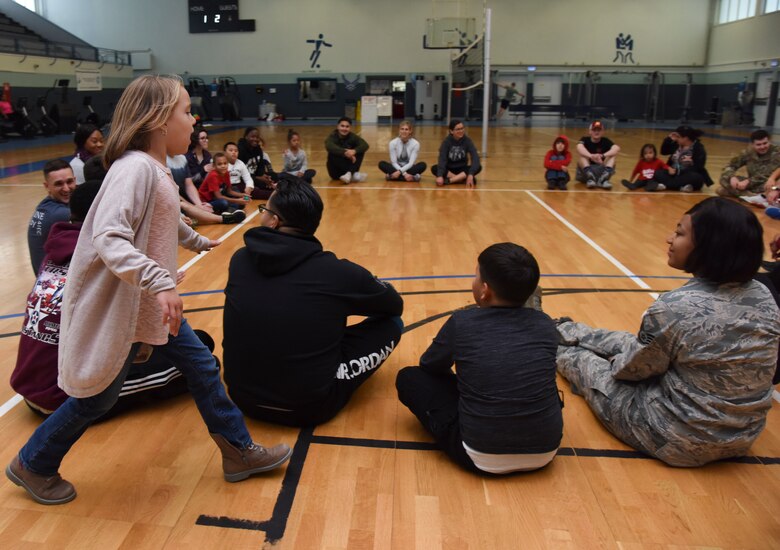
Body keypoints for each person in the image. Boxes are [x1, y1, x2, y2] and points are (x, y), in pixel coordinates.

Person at [6, 74, 291, 507]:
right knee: (97, 399)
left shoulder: (154, 169)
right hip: (129, 305)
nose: (193, 119)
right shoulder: (134, 168)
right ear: (158, 120)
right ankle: (33, 462)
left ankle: (237, 452)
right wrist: (160, 281)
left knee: (201, 368)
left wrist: (195, 241)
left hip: (146, 306)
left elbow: (163, 216)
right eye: (185, 110)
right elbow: (110, 236)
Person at [556, 197, 779, 467]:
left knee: (583, 361)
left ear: (709, 247)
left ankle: (551, 340)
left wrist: (609, 359)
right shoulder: (764, 295)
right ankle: (567, 328)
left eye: (680, 233)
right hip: (743, 436)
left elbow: (629, 371)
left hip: (676, 439)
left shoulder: (675, 306)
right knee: (633, 343)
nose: (669, 238)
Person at [12, 180, 213, 420]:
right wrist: (152, 289)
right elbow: (134, 338)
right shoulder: (105, 257)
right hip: (63, 395)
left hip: (30, 385)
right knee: (203, 356)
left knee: (191, 348)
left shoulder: (55, 250)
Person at [222, 178, 403, 427]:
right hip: (311, 407)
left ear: (274, 221)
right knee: (393, 324)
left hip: (242, 397)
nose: (261, 216)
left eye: (264, 210)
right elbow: (394, 306)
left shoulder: (240, 259)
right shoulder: (337, 272)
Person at [396, 243, 562, 475]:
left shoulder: (462, 322)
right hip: (546, 451)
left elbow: (430, 365)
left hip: (480, 456)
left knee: (409, 378)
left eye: (476, 276)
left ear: (484, 291)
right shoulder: (545, 325)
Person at [28, 160, 77, 274]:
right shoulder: (59, 214)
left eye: (69, 182)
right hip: (54, 285)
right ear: (47, 186)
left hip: (46, 280)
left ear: (75, 180)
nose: (66, 188)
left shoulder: (45, 205)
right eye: (59, 184)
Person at [168, 153, 245, 225]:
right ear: (214, 166)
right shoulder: (213, 175)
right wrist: (238, 200)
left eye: (225, 163)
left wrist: (243, 195)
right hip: (205, 200)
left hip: (209, 199)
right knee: (224, 203)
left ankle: (226, 212)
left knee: (237, 203)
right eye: (220, 164)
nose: (223, 166)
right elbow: (218, 196)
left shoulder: (226, 173)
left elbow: (229, 191)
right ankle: (225, 215)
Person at [718, 129, 780, 198]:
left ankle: (743, 195)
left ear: (769, 141)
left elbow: (765, 174)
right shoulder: (748, 153)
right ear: (752, 145)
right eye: (758, 144)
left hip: (768, 184)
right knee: (724, 178)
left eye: (765, 143)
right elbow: (730, 165)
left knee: (721, 190)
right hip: (752, 185)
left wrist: (748, 181)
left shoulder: (777, 152)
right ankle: (752, 196)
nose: (762, 147)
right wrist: (732, 177)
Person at [654, 125, 713, 192]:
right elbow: (663, 152)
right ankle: (681, 187)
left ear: (686, 138)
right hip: (673, 173)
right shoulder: (677, 145)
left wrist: (680, 171)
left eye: (678, 137)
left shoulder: (698, 148)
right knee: (657, 173)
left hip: (687, 174)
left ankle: (669, 185)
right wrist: (669, 139)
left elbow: (698, 167)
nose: (676, 139)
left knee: (696, 177)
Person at [432, 120, 481, 188]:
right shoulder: (446, 142)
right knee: (435, 168)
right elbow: (442, 159)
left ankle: (450, 181)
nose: (461, 131)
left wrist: (470, 174)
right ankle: (461, 179)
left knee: (478, 167)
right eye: (458, 129)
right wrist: (440, 175)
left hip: (462, 170)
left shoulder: (467, 141)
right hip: (449, 170)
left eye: (462, 128)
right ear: (451, 131)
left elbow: (475, 157)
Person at [575, 120, 620, 190]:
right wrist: (591, 156)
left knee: (612, 156)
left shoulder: (606, 141)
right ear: (590, 131)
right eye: (594, 130)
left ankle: (603, 179)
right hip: (586, 173)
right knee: (582, 156)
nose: (596, 132)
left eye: (599, 130)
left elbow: (616, 148)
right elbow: (579, 147)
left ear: (603, 132)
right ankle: (590, 178)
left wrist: (602, 156)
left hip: (601, 170)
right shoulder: (585, 139)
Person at [325, 116, 369, 184]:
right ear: (338, 127)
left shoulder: (352, 136)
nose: (344, 129)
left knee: (360, 151)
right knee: (332, 153)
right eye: (342, 126)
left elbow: (365, 145)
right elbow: (329, 146)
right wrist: (345, 152)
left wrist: (354, 151)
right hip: (335, 173)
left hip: (349, 169)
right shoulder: (332, 136)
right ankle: (353, 175)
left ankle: (349, 174)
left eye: (347, 126)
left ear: (350, 128)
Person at [237, 127, 276, 199]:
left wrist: (266, 177)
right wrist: (260, 178)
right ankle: (275, 195)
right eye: (252, 136)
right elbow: (241, 175)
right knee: (257, 188)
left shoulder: (258, 149)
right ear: (246, 136)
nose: (255, 139)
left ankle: (276, 188)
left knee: (275, 176)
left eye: (257, 137)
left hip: (255, 178)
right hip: (244, 180)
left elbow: (260, 171)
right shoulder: (240, 150)